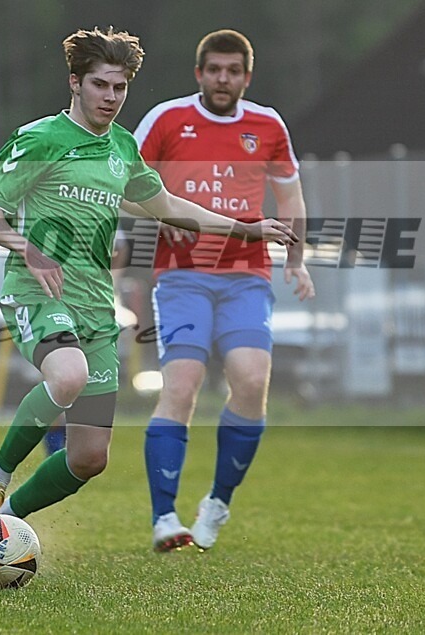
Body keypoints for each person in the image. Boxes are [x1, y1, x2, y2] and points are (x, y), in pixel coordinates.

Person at [0, 26, 298, 535]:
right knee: (68, 376)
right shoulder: (40, 138)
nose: (111, 98)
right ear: (75, 83)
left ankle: (4, 525)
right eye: (100, 85)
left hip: (97, 307)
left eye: (120, 88)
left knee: (89, 459)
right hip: (38, 290)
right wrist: (26, 248)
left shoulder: (122, 147)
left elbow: (166, 206)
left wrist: (245, 229)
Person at [132, 29, 315, 552]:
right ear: (199, 73)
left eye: (232, 71)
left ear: (246, 77)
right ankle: (164, 517)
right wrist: (159, 212)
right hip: (182, 275)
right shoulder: (166, 120)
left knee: (252, 381)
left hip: (246, 276)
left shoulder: (268, 124)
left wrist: (297, 261)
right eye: (214, 69)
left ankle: (217, 501)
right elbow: (126, 184)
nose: (222, 79)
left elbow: (291, 199)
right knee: (182, 386)